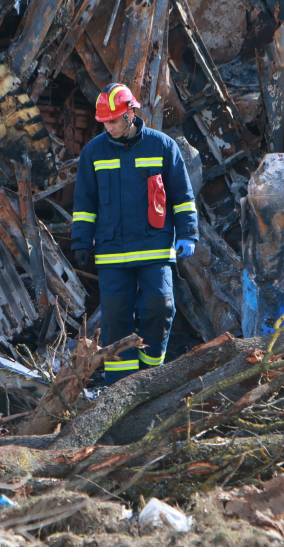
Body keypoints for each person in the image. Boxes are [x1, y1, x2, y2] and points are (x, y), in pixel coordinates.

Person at [71, 83, 199, 384]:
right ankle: (120, 386)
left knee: (160, 306)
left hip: (154, 247)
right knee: (116, 321)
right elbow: (84, 203)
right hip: (111, 251)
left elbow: (182, 195)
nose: (109, 127)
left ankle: (149, 375)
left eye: (114, 120)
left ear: (130, 114)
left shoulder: (163, 146)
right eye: (104, 122)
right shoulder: (93, 153)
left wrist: (188, 234)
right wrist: (80, 240)